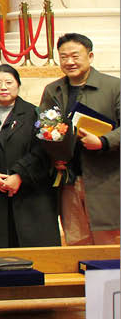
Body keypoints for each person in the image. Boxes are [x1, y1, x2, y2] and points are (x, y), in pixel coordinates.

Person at [39, 33, 120, 246]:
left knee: (108, 247)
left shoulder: (114, 87)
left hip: (106, 180)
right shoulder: (53, 90)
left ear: (90, 56)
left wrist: (103, 141)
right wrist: (54, 153)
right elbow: (46, 129)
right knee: (76, 244)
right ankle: (83, 282)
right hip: (69, 180)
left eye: (75, 56)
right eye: (63, 57)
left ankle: (106, 282)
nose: (69, 62)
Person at [0, 64, 60, 248]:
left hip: (31, 193)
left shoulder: (37, 113)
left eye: (9, 82)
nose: (3, 87)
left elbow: (43, 150)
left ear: (18, 84)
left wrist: (19, 175)